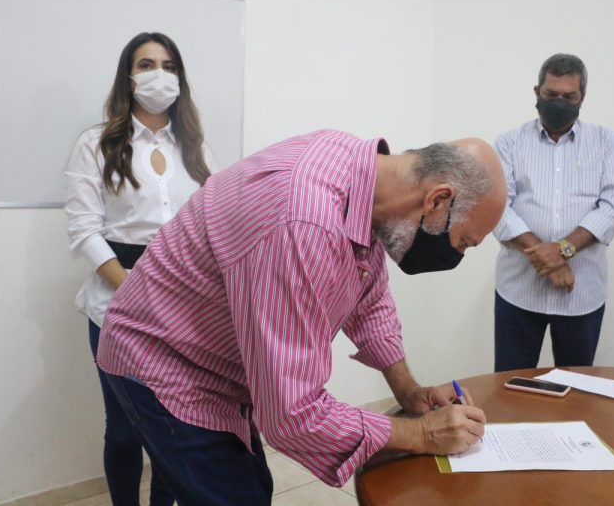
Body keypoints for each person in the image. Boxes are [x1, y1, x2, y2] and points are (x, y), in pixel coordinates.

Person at [95, 130, 507, 504]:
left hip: (213, 359)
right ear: (437, 200)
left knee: (248, 486)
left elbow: (369, 297)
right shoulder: (302, 220)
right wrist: (421, 434)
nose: (457, 254)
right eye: (463, 242)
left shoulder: (365, 181)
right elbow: (293, 414)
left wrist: (408, 390)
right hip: (163, 359)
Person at [64, 32, 217, 505]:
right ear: (128, 77)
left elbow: (213, 221)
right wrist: (131, 290)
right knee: (125, 428)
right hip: (116, 305)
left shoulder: (195, 148)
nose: (159, 75)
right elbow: (84, 229)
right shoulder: (97, 143)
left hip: (184, 309)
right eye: (146, 64)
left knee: (172, 428)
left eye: (169, 66)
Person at [492, 53, 614, 372]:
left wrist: (563, 250)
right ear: (537, 91)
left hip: (582, 294)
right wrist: (548, 259)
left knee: (577, 386)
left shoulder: (606, 142)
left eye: (569, 97)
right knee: (509, 385)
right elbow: (498, 207)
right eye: (551, 94)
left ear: (583, 97)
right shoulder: (509, 143)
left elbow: (612, 206)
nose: (559, 103)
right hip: (518, 291)